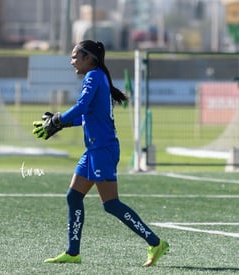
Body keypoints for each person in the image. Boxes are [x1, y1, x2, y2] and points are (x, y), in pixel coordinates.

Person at [32, 40, 169, 267]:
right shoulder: (97, 77)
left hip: (103, 150)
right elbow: (87, 115)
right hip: (95, 149)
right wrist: (61, 123)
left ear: (89, 58)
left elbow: (83, 106)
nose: (72, 61)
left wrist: (57, 119)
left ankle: (155, 243)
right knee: (73, 196)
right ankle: (73, 252)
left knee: (111, 203)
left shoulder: (94, 76)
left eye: (75, 56)